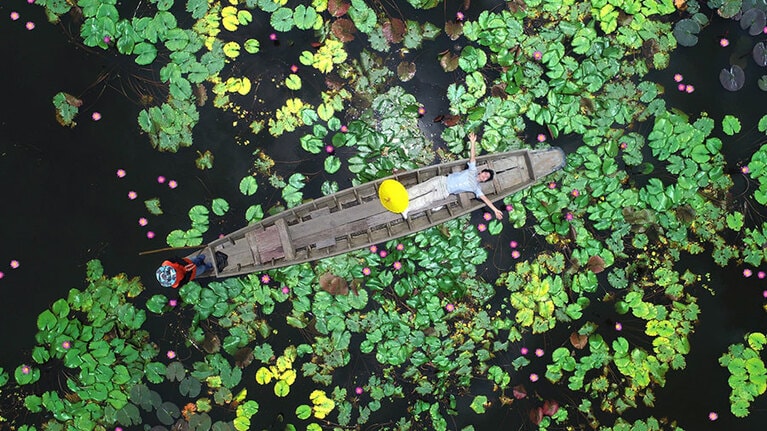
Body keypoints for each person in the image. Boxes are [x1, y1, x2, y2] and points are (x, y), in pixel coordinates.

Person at [401, 132, 503, 220]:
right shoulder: (473, 170)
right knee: (422, 188)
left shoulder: (476, 188)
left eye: (486, 177)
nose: (484, 176)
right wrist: (472, 143)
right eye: (485, 174)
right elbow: (473, 158)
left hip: (446, 192)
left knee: (426, 200)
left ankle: (407, 208)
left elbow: (485, 199)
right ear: (481, 172)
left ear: (484, 181)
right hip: (442, 181)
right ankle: (403, 195)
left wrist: (495, 210)